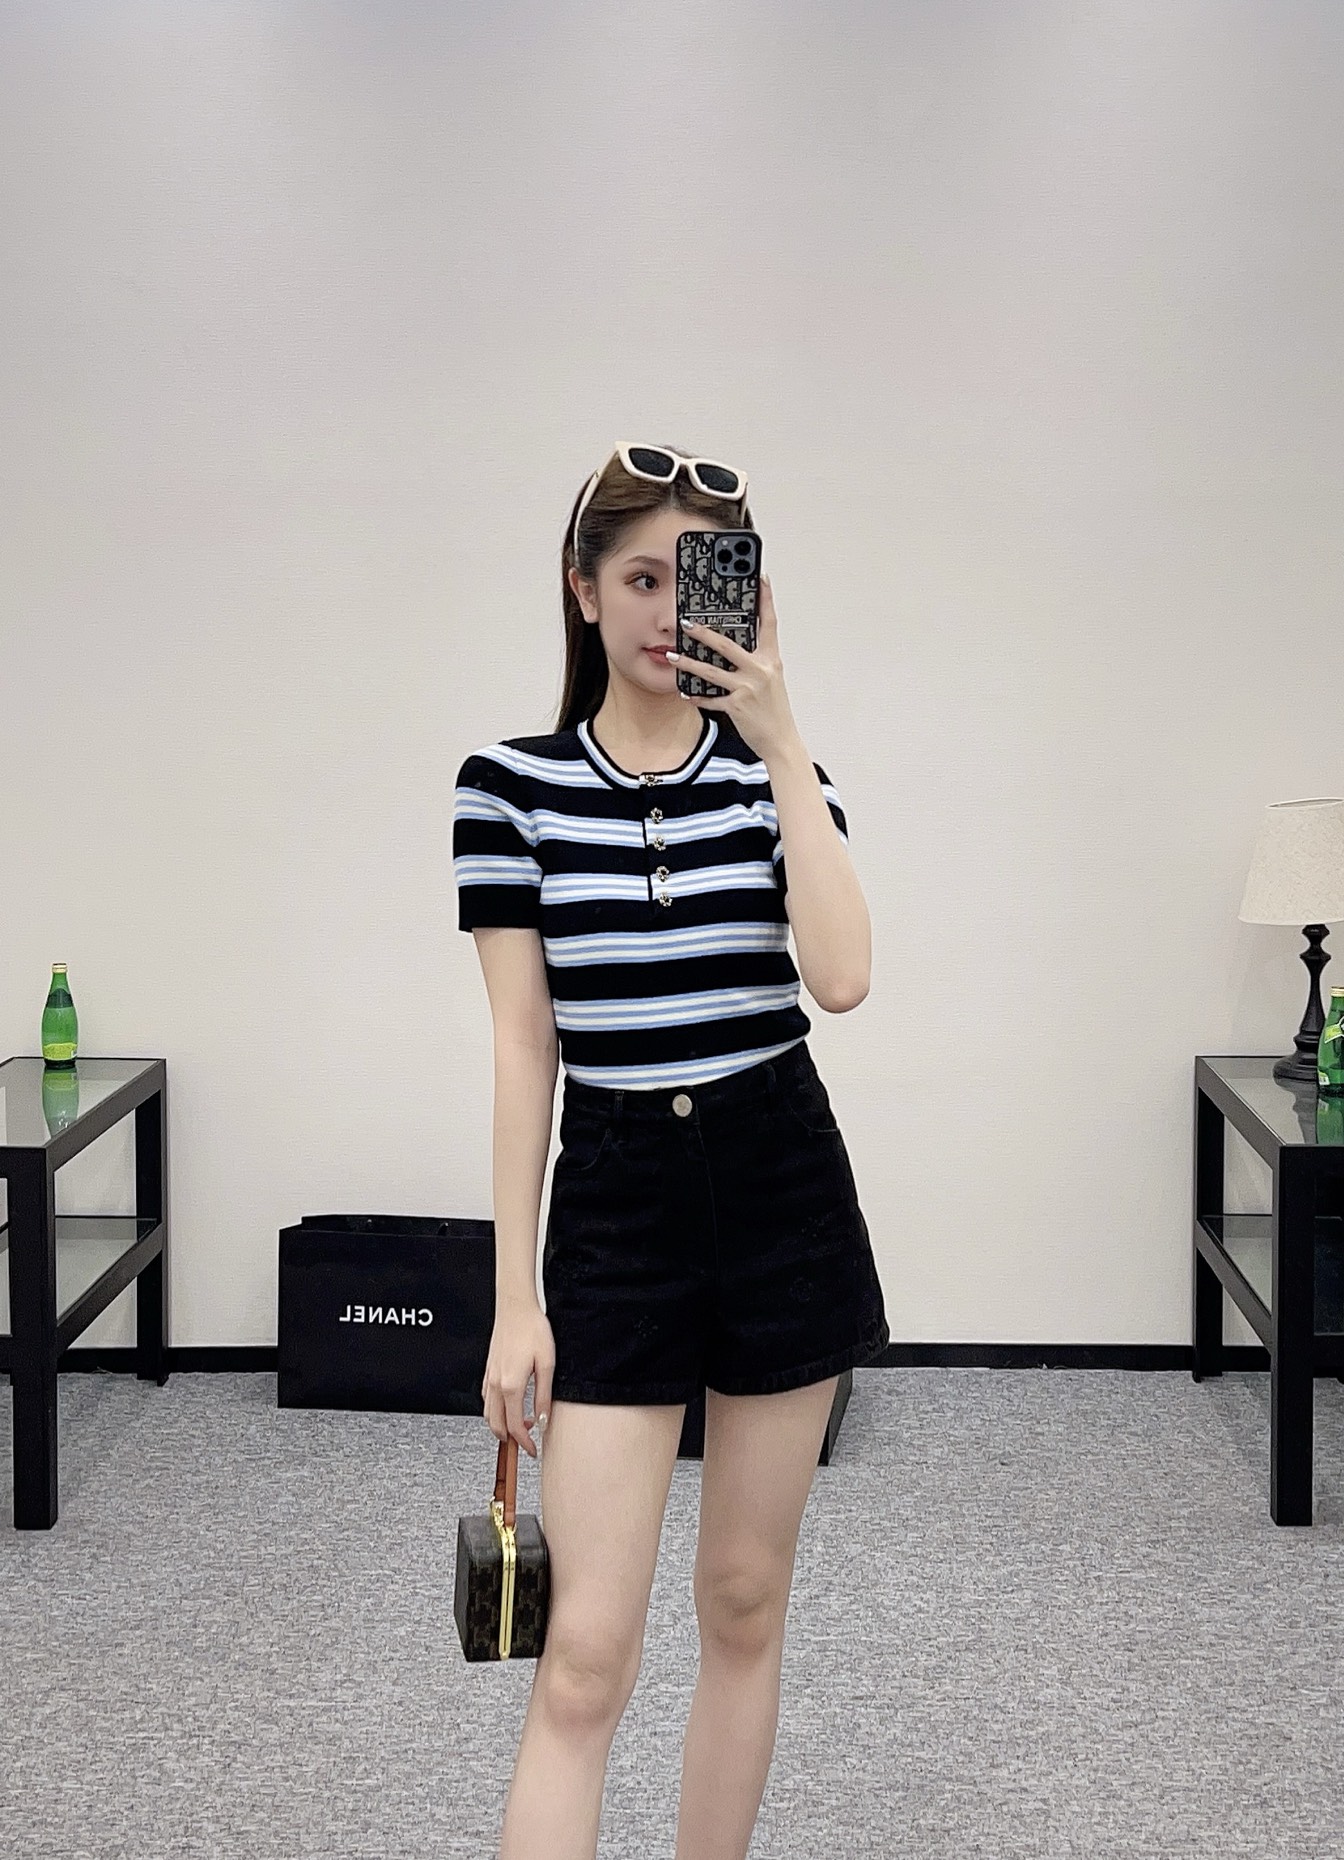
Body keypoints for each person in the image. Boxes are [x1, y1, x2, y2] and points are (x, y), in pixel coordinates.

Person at [452, 440, 890, 1860]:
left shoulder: (780, 779)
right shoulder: (508, 788)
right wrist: (515, 1301)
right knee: (584, 1651)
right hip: (619, 1205)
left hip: (780, 1185)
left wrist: (781, 739)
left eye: (696, 582)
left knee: (746, 1600)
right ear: (583, 591)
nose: (665, 613)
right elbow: (525, 1050)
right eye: (639, 578)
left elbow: (842, 978)